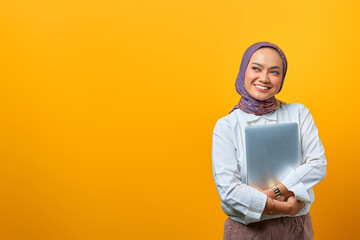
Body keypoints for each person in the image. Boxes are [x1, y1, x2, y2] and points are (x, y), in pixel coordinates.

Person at [211, 42, 327, 240]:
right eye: (256, 68)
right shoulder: (226, 126)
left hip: (296, 229)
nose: (264, 78)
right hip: (248, 232)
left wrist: (272, 193)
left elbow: (317, 165)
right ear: (243, 70)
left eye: (274, 72)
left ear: (282, 78)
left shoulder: (298, 113)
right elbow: (229, 192)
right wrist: (284, 207)